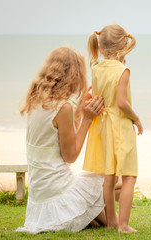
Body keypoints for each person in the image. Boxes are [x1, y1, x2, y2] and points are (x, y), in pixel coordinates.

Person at [16, 47, 107, 233]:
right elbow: (70, 156)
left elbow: (56, 136)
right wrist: (87, 119)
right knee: (116, 184)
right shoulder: (63, 107)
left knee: (102, 196)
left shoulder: (35, 100)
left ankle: (89, 218)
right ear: (73, 75)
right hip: (58, 193)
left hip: (40, 198)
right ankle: (106, 222)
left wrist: (79, 110)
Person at [84, 24, 143, 234]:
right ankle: (124, 225)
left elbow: (99, 97)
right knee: (128, 176)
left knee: (108, 177)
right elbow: (121, 103)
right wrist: (136, 119)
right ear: (122, 47)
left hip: (104, 126)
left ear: (100, 47)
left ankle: (110, 222)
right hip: (120, 126)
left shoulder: (96, 68)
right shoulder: (123, 70)